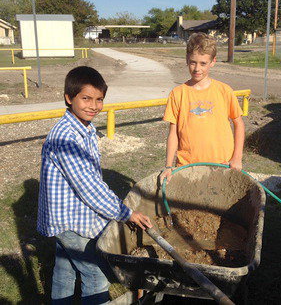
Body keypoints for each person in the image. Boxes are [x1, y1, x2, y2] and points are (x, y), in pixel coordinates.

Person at [37, 66, 152, 304]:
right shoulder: (66, 138)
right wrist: (125, 213)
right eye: (86, 98)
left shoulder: (84, 128)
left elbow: (90, 177)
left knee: (65, 271)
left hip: (70, 217)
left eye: (99, 99)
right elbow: (88, 187)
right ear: (69, 98)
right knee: (95, 274)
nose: (93, 106)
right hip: (68, 221)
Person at [161, 32, 245, 183]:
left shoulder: (224, 90)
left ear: (213, 61)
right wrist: (168, 166)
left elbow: (239, 124)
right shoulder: (177, 93)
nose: (197, 68)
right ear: (187, 60)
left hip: (221, 164)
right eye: (193, 62)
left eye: (203, 63)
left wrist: (236, 158)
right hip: (188, 166)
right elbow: (173, 133)